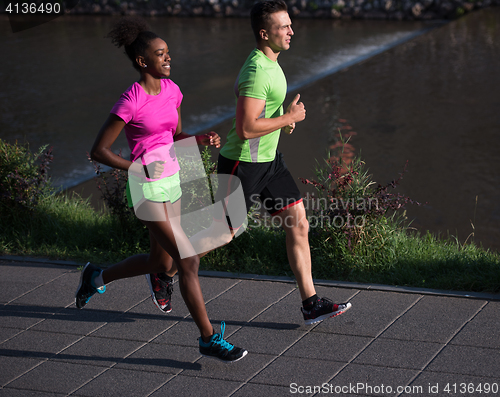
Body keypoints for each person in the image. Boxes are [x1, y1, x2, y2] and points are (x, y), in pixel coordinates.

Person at [152, 0, 352, 326]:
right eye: (283, 26)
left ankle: (310, 303)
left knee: (298, 222)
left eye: (290, 24)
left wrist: (281, 120)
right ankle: (166, 270)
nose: (291, 30)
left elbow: (260, 117)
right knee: (222, 233)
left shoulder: (272, 62)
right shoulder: (258, 71)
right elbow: (245, 129)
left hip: (269, 162)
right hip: (243, 164)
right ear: (264, 33)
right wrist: (288, 116)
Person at [75, 18, 247, 363]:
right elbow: (99, 151)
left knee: (159, 260)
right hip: (146, 189)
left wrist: (199, 139)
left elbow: (174, 136)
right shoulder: (131, 99)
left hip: (174, 180)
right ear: (142, 62)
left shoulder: (173, 90)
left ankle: (97, 275)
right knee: (188, 259)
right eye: (161, 54)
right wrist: (137, 167)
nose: (168, 59)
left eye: (168, 53)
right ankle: (208, 338)